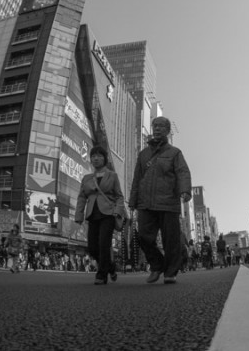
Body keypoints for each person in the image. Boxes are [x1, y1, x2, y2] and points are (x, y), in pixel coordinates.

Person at [129, 116, 192, 284]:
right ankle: (157, 265)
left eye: (161, 126)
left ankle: (170, 272)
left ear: (167, 130)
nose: (157, 129)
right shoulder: (143, 154)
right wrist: (132, 200)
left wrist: (185, 190)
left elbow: (183, 172)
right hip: (146, 203)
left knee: (171, 239)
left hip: (168, 202)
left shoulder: (175, 153)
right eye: (155, 126)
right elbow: (137, 178)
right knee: (143, 236)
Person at [74, 145, 126, 285]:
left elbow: (119, 196)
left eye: (99, 156)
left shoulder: (112, 176)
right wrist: (78, 215)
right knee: (92, 247)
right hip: (92, 214)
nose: (96, 158)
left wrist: (117, 211)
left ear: (105, 159)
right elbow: (82, 197)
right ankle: (110, 267)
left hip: (108, 214)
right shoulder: (86, 178)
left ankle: (101, 275)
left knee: (104, 244)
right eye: (93, 156)